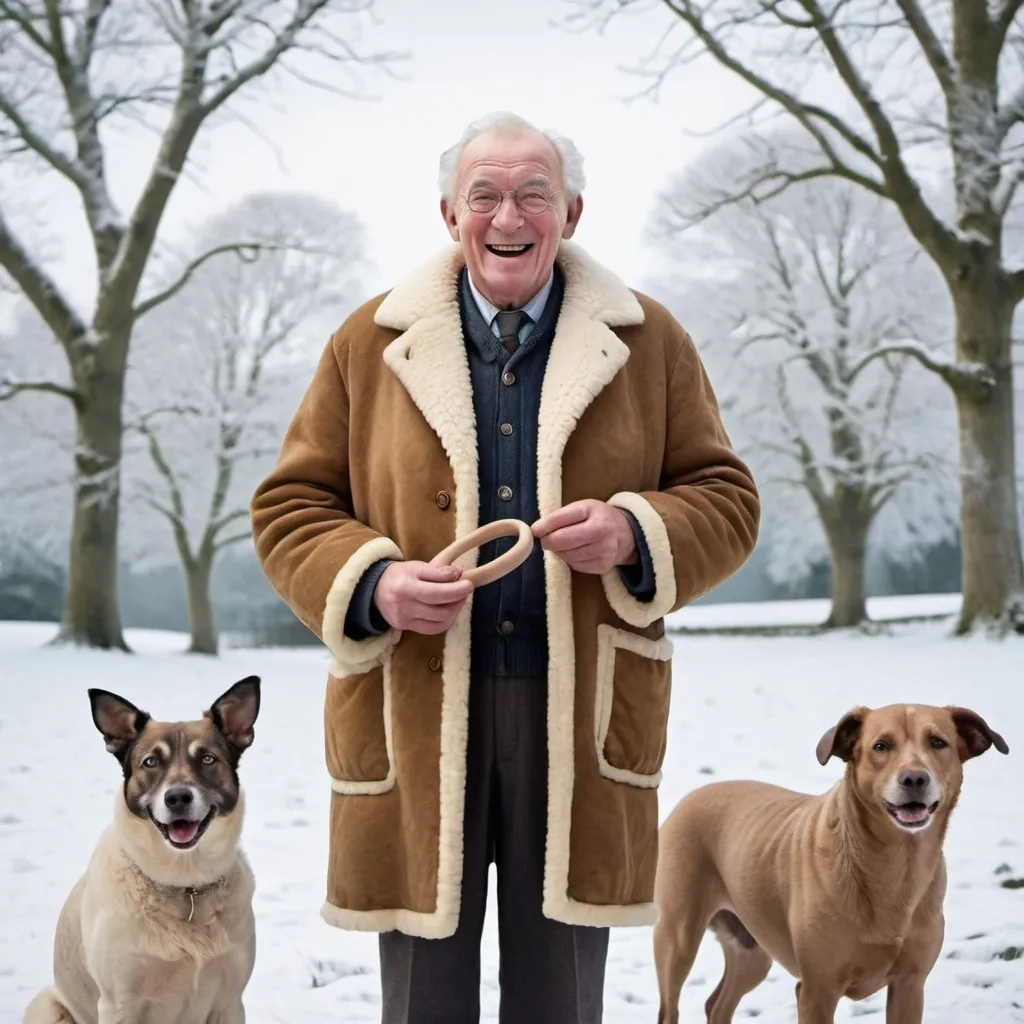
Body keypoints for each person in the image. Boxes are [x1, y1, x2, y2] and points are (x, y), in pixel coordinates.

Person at [250, 111, 760, 1024]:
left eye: (533, 193)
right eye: (484, 194)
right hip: (415, 704)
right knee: (424, 996)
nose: (507, 214)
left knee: (560, 995)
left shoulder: (652, 343)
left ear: (570, 210)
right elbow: (289, 509)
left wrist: (636, 532)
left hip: (579, 714)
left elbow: (727, 497)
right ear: (450, 214)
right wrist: (375, 582)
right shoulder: (367, 342)